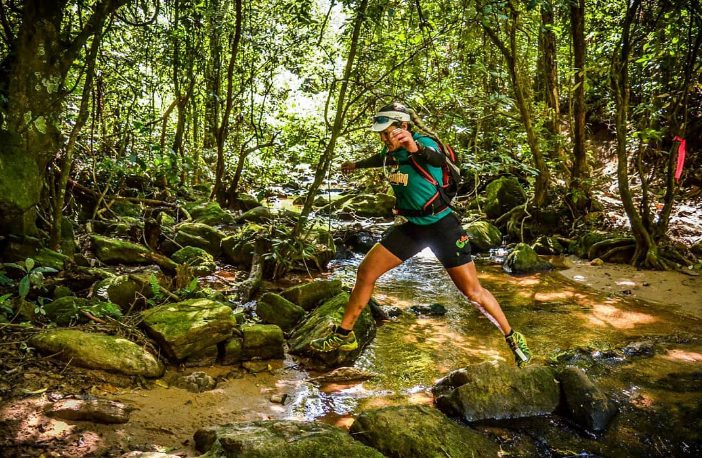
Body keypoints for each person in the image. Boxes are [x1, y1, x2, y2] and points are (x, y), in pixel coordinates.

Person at [310, 102, 532, 367]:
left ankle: (512, 336)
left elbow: (436, 159)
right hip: (413, 228)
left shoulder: (425, 144)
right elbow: (382, 159)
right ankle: (345, 336)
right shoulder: (389, 151)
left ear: (403, 127)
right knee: (365, 273)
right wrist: (355, 165)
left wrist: (414, 147)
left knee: (472, 293)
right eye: (380, 133)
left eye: (387, 132)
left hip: (443, 228)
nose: (383, 138)